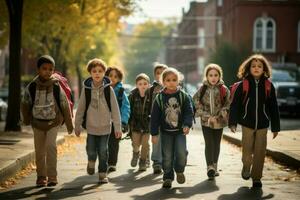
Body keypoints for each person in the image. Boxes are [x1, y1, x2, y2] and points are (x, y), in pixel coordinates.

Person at [228, 54, 280, 188]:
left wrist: (275, 127)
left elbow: (273, 107)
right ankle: (246, 167)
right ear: (248, 68)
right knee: (247, 151)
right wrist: (232, 122)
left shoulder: (268, 85)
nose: (256, 68)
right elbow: (234, 105)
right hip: (247, 124)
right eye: (253, 66)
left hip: (263, 124)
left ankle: (256, 178)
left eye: (259, 66)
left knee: (260, 152)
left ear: (264, 69)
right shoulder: (243, 84)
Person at [21, 55, 73, 187]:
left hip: (53, 122)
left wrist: (69, 124)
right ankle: (41, 176)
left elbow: (64, 104)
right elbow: (25, 103)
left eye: (51, 69)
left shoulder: (56, 86)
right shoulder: (32, 86)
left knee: (51, 147)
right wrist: (26, 120)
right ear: (38, 69)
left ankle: (52, 177)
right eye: (44, 68)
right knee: (39, 151)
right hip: (37, 123)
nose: (47, 71)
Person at [74, 58, 122, 184]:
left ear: (104, 73)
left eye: (100, 71)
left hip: (106, 127)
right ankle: (91, 161)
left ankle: (102, 173)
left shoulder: (108, 89)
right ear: (90, 73)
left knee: (103, 150)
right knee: (90, 149)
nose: (97, 73)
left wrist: (118, 127)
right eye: (94, 71)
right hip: (91, 126)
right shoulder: (87, 89)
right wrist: (77, 125)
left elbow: (115, 110)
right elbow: (81, 108)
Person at [151, 68, 193, 188]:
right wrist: (154, 134)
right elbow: (154, 117)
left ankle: (179, 170)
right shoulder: (159, 98)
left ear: (178, 81)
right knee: (167, 156)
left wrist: (187, 124)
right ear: (163, 82)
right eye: (168, 80)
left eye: (174, 80)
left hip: (180, 131)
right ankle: (168, 177)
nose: (171, 82)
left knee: (181, 154)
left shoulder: (183, 96)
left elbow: (188, 112)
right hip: (165, 133)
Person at [193, 64, 230, 180]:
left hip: (219, 121)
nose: (213, 78)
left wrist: (220, 115)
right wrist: (205, 115)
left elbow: (228, 104)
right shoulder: (202, 89)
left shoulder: (223, 89)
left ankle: (215, 165)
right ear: (206, 76)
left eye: (215, 75)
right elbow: (195, 101)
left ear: (219, 76)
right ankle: (210, 167)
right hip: (206, 121)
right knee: (209, 143)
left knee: (216, 144)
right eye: (210, 75)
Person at [105, 66, 130, 172]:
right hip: (103, 122)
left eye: (115, 76)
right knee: (103, 143)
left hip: (117, 123)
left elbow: (126, 107)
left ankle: (112, 163)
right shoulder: (102, 89)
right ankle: (104, 161)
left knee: (114, 143)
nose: (112, 78)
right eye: (110, 76)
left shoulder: (121, 91)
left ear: (119, 79)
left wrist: (124, 121)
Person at [147, 63, 168, 174]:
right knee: (156, 141)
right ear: (155, 75)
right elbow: (147, 104)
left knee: (167, 142)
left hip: (169, 121)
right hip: (155, 120)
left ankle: (167, 162)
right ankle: (157, 163)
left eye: (163, 73)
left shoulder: (172, 87)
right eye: (158, 73)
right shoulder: (152, 89)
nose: (160, 75)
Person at [128, 73, 151, 171]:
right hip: (135, 124)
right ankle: (136, 153)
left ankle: (143, 161)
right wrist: (127, 123)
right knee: (135, 143)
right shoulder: (132, 95)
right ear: (136, 85)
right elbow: (129, 109)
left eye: (145, 83)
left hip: (147, 124)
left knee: (145, 144)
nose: (143, 86)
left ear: (148, 85)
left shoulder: (151, 95)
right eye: (140, 84)